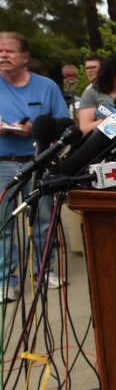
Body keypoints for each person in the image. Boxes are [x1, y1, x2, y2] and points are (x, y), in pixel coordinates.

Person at [0, 32, 70, 299]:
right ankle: (6, 279)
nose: (3, 56)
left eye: (9, 51)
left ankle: (45, 270)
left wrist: (34, 130)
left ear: (25, 58)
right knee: (2, 222)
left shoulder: (46, 86)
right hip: (2, 163)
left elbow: (64, 125)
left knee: (42, 220)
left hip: (38, 161)